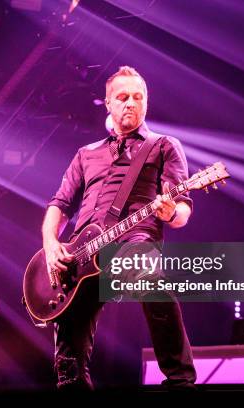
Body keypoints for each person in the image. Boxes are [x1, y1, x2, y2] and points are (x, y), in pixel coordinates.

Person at [42, 66, 196, 390]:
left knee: (149, 275)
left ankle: (180, 380)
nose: (130, 103)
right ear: (108, 104)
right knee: (68, 357)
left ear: (146, 103)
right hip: (81, 253)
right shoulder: (87, 154)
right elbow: (58, 204)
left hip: (134, 239)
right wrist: (51, 244)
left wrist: (170, 213)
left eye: (137, 97)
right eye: (122, 97)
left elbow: (182, 210)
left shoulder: (163, 146)